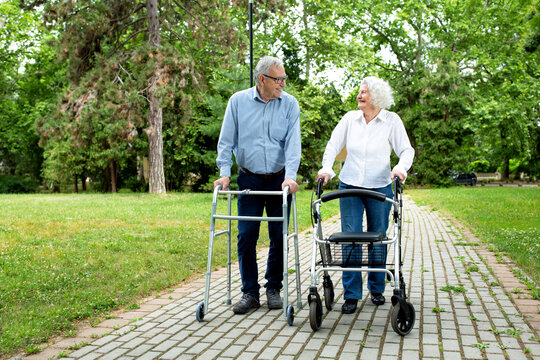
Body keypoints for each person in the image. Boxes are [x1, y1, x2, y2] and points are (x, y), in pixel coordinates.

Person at [316, 76, 414, 314]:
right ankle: (351, 294)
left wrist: (401, 169)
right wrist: (326, 168)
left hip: (380, 186)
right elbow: (332, 145)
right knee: (350, 236)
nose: (359, 96)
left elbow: (406, 150)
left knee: (378, 237)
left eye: (364, 92)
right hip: (350, 185)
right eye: (359, 92)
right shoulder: (350, 119)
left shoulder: (392, 120)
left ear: (377, 97)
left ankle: (377, 288)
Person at [214, 56, 301, 314]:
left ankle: (273, 288)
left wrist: (291, 175)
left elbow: (293, 145)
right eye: (278, 79)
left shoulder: (289, 104)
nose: (283, 84)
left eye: (284, 78)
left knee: (278, 235)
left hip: (279, 178)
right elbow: (226, 141)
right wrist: (224, 173)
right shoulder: (238, 102)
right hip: (249, 178)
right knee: (246, 235)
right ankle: (250, 293)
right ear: (262, 79)